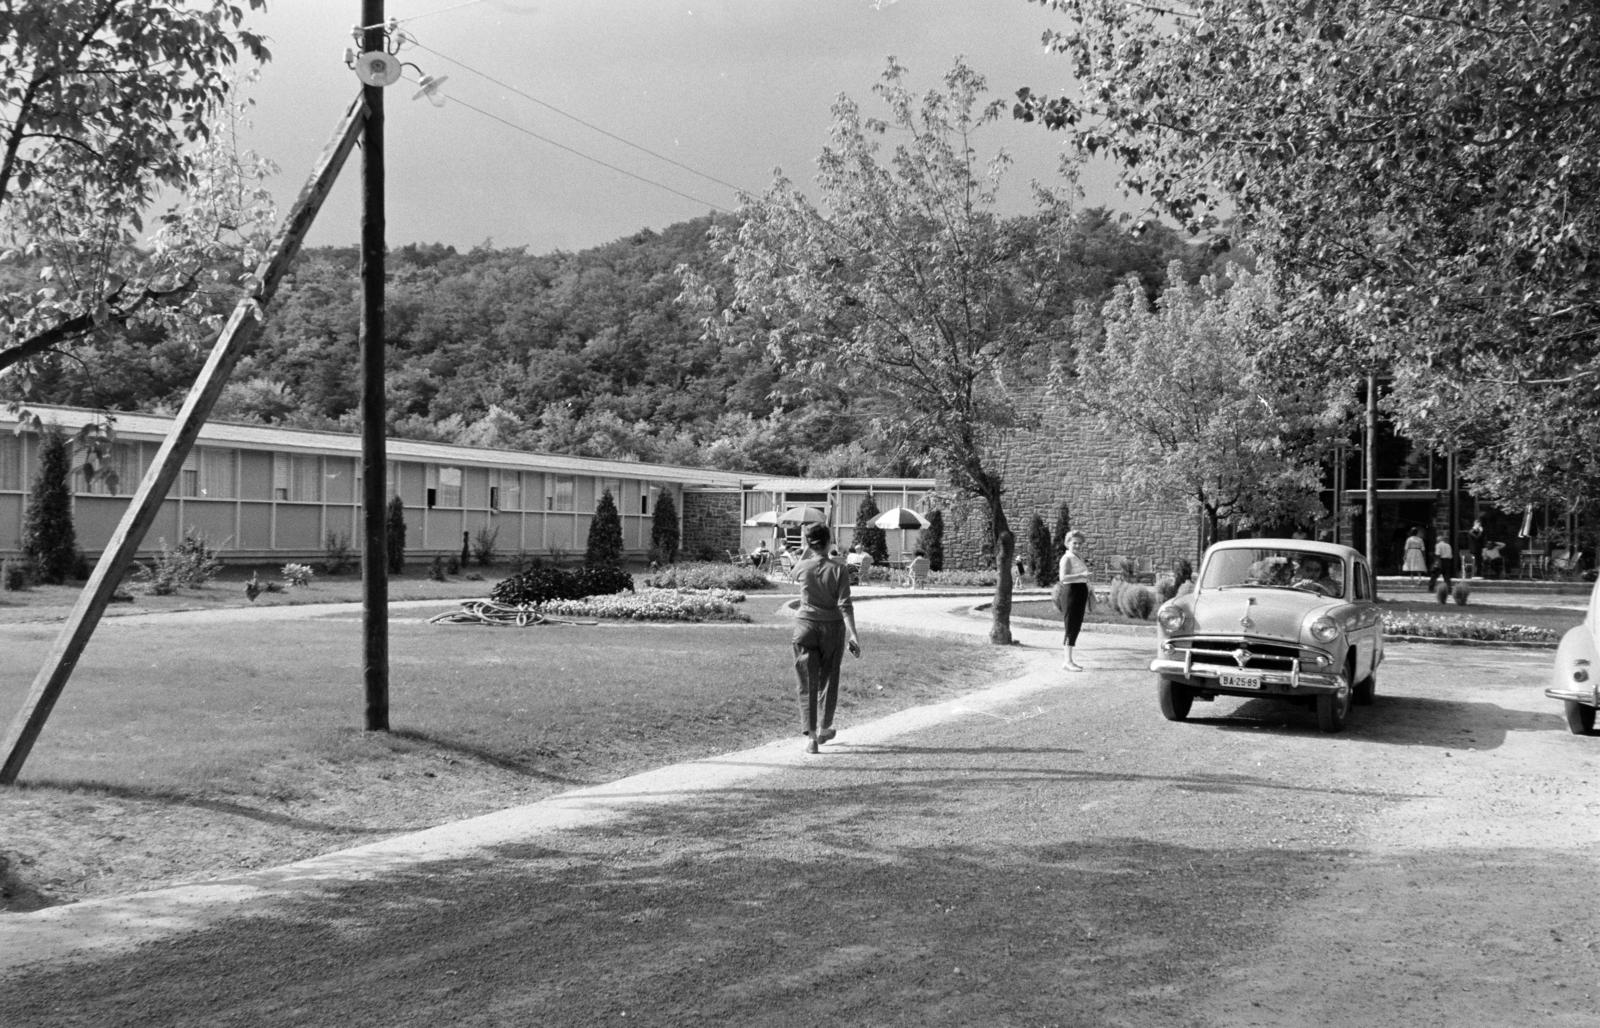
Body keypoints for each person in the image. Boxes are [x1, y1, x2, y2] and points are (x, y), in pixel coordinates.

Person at [788, 522, 860, 753]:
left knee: (806, 682)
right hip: (831, 629)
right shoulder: (839, 569)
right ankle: (823, 728)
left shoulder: (803, 567)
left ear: (809, 544)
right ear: (830, 542)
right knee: (828, 679)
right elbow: (845, 605)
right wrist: (854, 635)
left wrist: (809, 548)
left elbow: (792, 573)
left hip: (804, 627)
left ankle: (810, 737)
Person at [1055, 530, 1091, 671]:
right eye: (1074, 543)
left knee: (1075, 625)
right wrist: (1081, 574)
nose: (1077, 545)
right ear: (1068, 543)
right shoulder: (1067, 558)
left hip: (1080, 591)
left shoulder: (1077, 557)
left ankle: (1069, 660)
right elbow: (1063, 578)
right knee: (1070, 625)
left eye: (1079, 543)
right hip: (1071, 592)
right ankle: (1067, 661)